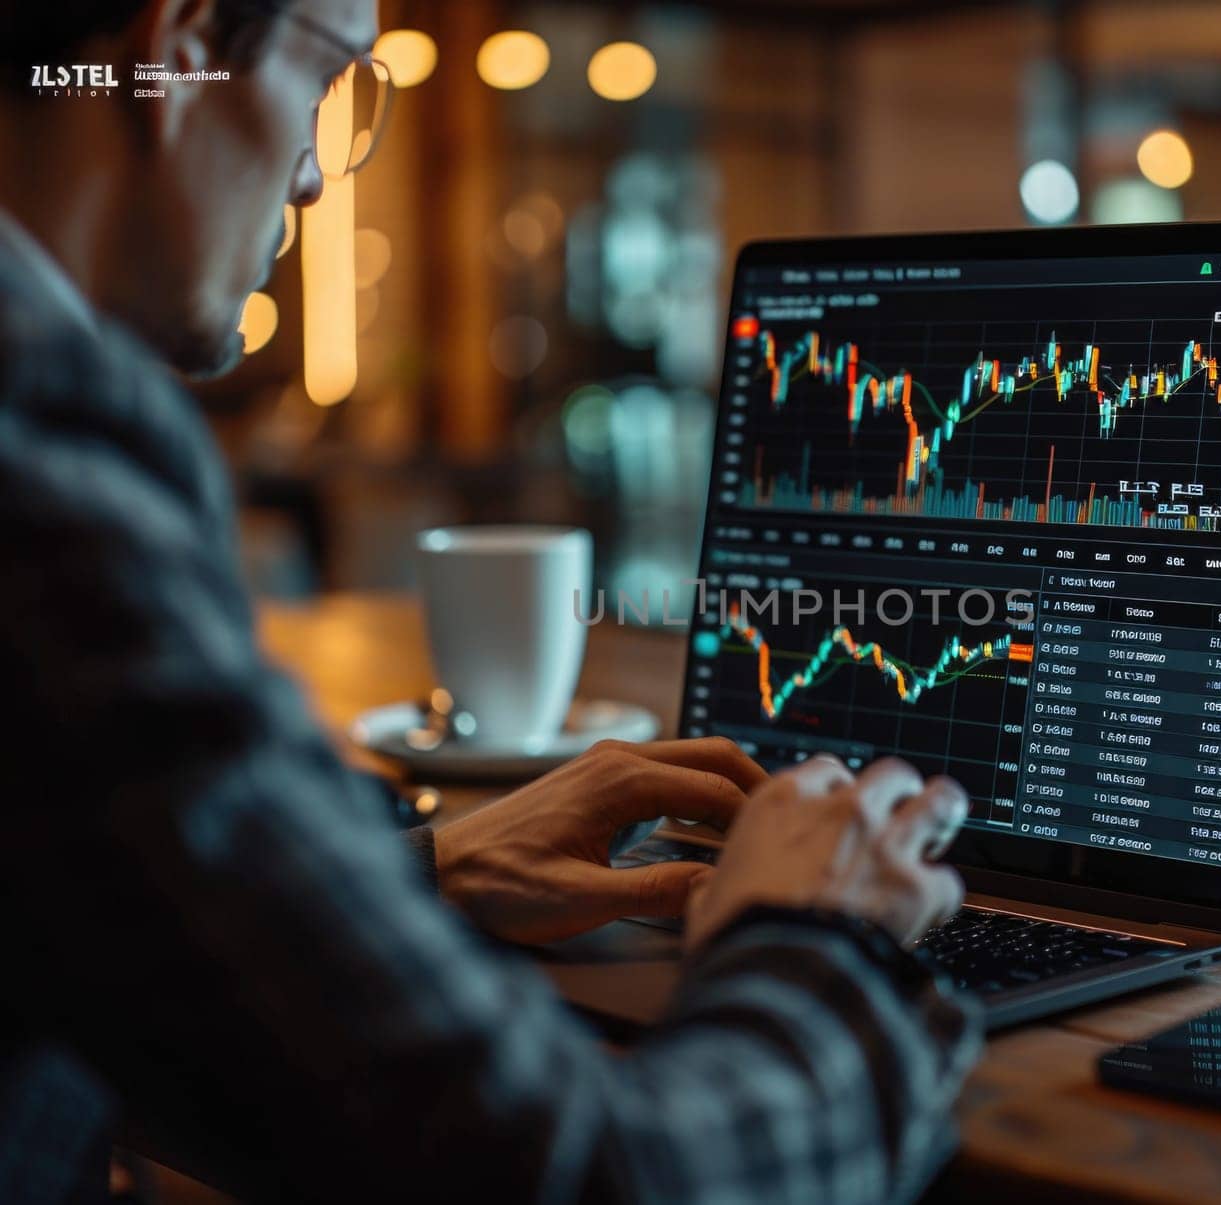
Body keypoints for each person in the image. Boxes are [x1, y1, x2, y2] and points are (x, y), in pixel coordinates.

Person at [0, 2, 983, 1201]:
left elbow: (89, 906)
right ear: (183, 48)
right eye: (333, 84)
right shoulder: (38, 448)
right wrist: (826, 938)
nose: (315, 175)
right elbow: (581, 1174)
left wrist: (418, 874)